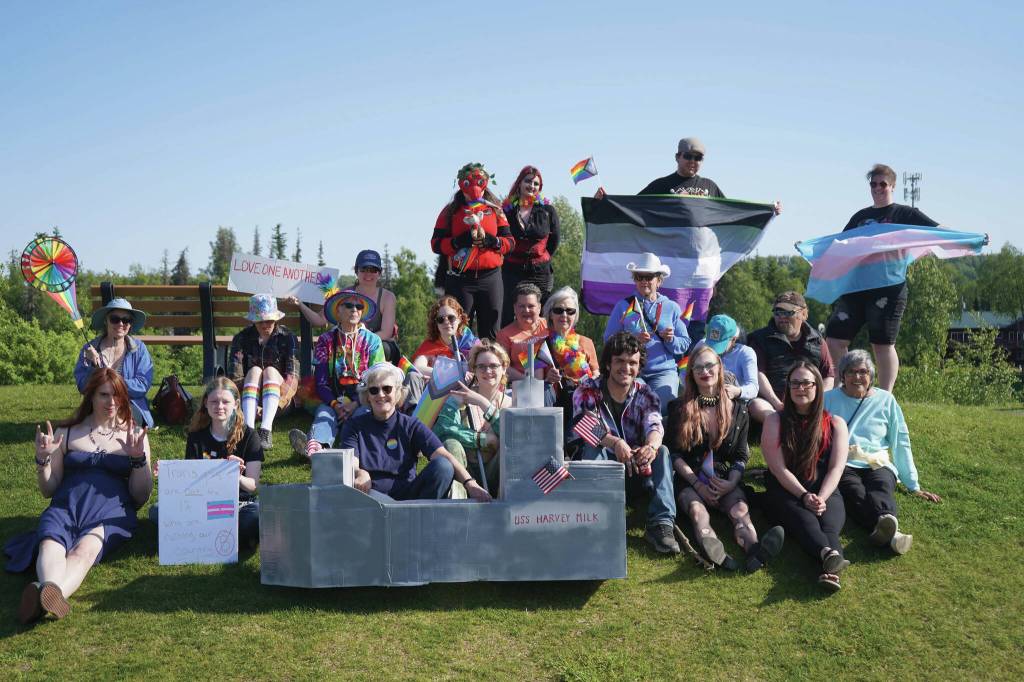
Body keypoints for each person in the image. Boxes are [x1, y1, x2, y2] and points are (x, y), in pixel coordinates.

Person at [6, 369, 152, 624]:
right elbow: (48, 489)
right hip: (66, 506)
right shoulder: (68, 432)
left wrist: (138, 459)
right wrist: (43, 460)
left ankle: (47, 594)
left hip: (111, 513)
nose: (112, 402)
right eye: (104, 395)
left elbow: (140, 497)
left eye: (117, 395)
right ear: (91, 396)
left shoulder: (134, 435)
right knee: (50, 544)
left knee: (84, 552)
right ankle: (49, 592)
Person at [666, 345, 785, 571]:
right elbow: (674, 454)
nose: (705, 371)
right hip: (689, 477)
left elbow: (741, 455)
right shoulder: (679, 408)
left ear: (720, 368)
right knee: (697, 512)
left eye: (710, 365)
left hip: (723, 477)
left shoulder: (740, 410)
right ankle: (714, 551)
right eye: (698, 368)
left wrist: (731, 482)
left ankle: (755, 550)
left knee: (740, 512)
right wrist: (697, 486)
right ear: (691, 374)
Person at [825, 164, 941, 391]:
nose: (877, 188)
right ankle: (844, 386)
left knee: (882, 344)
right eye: (873, 184)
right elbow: (840, 243)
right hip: (857, 287)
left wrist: (972, 238)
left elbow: (938, 230)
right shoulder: (861, 216)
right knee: (835, 338)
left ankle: (886, 394)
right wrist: (811, 249)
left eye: (882, 184)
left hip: (888, 288)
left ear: (892, 186)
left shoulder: (905, 214)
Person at [572, 332, 680, 555]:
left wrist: (651, 446)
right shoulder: (587, 389)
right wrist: (615, 442)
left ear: (639, 366)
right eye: (620, 361)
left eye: (632, 362)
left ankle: (661, 525)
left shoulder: (646, 393)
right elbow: (584, 425)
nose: (626, 367)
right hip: (603, 467)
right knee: (594, 446)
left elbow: (655, 425)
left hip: (637, 469)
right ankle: (599, 520)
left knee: (663, 451)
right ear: (608, 364)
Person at [824, 350, 941, 555]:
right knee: (854, 491)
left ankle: (885, 522)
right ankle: (891, 534)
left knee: (881, 485)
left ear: (871, 375)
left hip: (877, 461)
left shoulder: (886, 400)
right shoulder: (828, 399)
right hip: (843, 462)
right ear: (842, 376)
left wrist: (913, 485)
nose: (857, 377)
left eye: (862, 371)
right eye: (851, 372)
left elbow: (900, 441)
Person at [340, 363, 492, 502]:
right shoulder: (354, 426)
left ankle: (425, 522)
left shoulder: (410, 424)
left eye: (387, 389)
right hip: (371, 498)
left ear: (398, 393)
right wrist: (359, 472)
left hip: (409, 498)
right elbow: (351, 462)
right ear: (367, 396)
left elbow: (442, 455)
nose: (380, 394)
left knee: (443, 466)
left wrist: (470, 483)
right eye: (374, 390)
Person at [761, 361, 850, 592]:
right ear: (788, 388)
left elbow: (836, 468)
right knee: (807, 521)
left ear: (817, 387)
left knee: (829, 526)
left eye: (806, 383)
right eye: (795, 383)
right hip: (786, 490)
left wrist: (821, 496)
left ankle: (829, 564)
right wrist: (804, 496)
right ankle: (828, 558)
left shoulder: (836, 424)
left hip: (825, 488)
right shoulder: (775, 421)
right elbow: (778, 469)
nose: (800, 388)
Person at [149, 378, 264, 550]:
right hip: (202, 503)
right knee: (157, 510)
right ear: (205, 403)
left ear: (236, 404)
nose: (219, 406)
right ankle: (219, 532)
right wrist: (168, 473)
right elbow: (190, 483)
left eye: (225, 401)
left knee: (256, 516)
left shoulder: (249, 436)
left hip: (238, 504)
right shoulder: (196, 436)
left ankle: (202, 531)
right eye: (214, 401)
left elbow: (252, 486)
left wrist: (237, 477)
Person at [289, 289, 384, 459]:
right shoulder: (326, 340)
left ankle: (357, 451)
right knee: (325, 415)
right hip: (333, 397)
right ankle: (316, 450)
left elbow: (376, 379)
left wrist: (355, 404)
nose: (354, 309)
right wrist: (335, 405)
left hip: (364, 398)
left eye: (358, 306)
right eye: (349, 305)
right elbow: (321, 381)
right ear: (338, 311)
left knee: (364, 416)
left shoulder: (373, 341)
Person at [431, 162, 515, 340]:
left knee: (492, 331)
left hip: (490, 278)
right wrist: (458, 242)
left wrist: (493, 241)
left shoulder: (496, 210)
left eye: (480, 183)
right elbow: (436, 244)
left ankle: (490, 366)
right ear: (461, 185)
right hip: (460, 279)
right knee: (457, 331)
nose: (475, 191)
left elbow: (510, 243)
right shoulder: (450, 211)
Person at [595, 137, 782, 214]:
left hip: (701, 260)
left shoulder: (710, 186)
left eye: (698, 157)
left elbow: (731, 212)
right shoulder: (661, 185)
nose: (693, 161)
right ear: (677, 157)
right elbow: (632, 208)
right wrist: (604, 202)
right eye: (688, 156)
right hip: (669, 256)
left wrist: (767, 210)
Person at [603, 253, 691, 413]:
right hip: (632, 371)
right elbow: (608, 340)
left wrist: (670, 340)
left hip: (664, 372)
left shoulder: (671, 307)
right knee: (635, 409)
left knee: (662, 408)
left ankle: (659, 438)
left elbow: (684, 343)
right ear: (635, 280)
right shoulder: (623, 306)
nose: (644, 281)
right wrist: (632, 341)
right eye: (639, 276)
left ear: (659, 280)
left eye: (649, 276)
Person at [289, 249, 400, 362]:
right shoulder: (345, 293)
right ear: (356, 271)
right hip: (346, 344)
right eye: (363, 269)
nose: (368, 274)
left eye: (373, 270)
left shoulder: (387, 297)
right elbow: (320, 320)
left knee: (383, 349)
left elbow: (386, 333)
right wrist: (300, 305)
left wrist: (358, 342)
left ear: (379, 273)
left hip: (375, 344)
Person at [436, 340, 512, 496]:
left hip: (497, 474)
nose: (487, 371)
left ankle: (505, 507)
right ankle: (458, 507)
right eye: (481, 366)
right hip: (464, 473)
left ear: (504, 368)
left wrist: (483, 403)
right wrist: (482, 439)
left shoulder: (511, 403)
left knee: (510, 450)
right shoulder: (460, 397)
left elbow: (513, 437)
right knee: (451, 444)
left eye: (493, 366)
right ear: (474, 370)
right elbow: (442, 430)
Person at [747, 291, 835, 423]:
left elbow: (828, 375)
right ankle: (782, 426)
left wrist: (818, 400)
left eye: (788, 312)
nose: (782, 317)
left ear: (804, 314)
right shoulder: (760, 339)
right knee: (756, 406)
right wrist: (777, 404)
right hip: (772, 404)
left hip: (809, 403)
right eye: (778, 312)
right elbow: (758, 374)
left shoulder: (818, 341)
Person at [228, 294, 299, 450]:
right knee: (254, 371)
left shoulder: (288, 337)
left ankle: (266, 429)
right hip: (248, 400)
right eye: (260, 320)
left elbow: (293, 377)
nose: (265, 324)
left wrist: (279, 403)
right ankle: (248, 429)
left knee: (271, 372)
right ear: (253, 320)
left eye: (269, 320)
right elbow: (235, 377)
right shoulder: (241, 338)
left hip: (280, 402)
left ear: (276, 319)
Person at [74, 297, 154, 428]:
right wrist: (93, 368)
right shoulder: (89, 349)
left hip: (129, 406)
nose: (121, 324)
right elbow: (83, 386)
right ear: (106, 320)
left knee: (122, 419)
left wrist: (110, 383)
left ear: (131, 324)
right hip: (98, 406)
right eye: (115, 319)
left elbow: (143, 385)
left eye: (126, 320)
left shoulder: (140, 349)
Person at [500, 165, 560, 326]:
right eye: (528, 182)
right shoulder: (506, 211)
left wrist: (539, 256)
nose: (531, 186)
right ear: (519, 183)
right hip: (511, 271)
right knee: (507, 313)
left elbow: (554, 242)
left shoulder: (547, 210)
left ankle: (542, 350)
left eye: (536, 184)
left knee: (542, 315)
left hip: (540, 272)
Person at [541, 286, 599, 442]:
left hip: (580, 395)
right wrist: (546, 377)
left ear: (575, 315)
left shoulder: (586, 342)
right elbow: (528, 377)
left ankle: (577, 444)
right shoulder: (537, 343)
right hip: (552, 397)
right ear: (550, 314)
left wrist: (588, 380)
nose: (564, 315)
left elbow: (597, 373)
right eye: (559, 310)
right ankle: (548, 441)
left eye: (570, 311)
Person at [411, 295, 479, 378]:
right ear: (436, 323)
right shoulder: (430, 345)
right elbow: (417, 368)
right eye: (441, 319)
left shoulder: (472, 344)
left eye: (451, 318)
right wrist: (451, 373)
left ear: (459, 319)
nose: (446, 322)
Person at [497, 282, 549, 382]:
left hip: (553, 383)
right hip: (522, 386)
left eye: (531, 306)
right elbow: (502, 366)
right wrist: (530, 383)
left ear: (539, 307)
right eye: (521, 306)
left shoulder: (550, 326)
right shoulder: (504, 334)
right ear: (514, 308)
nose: (526, 310)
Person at [698, 314, 758, 401]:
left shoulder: (745, 353)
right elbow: (685, 373)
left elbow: (753, 387)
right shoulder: (702, 345)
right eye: (711, 342)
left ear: (733, 339)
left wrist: (737, 391)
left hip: (733, 400)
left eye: (719, 344)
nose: (712, 349)